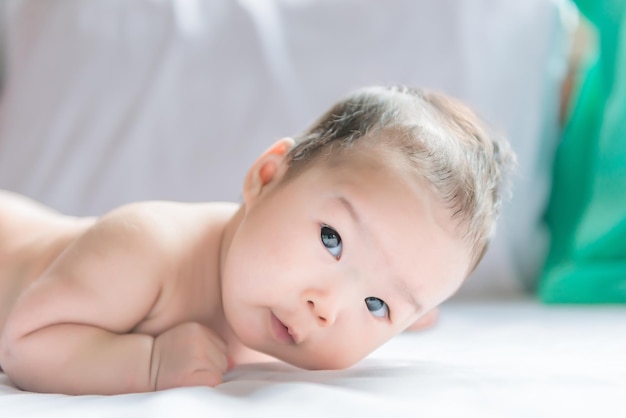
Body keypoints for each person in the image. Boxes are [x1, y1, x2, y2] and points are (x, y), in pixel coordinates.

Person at [0, 85, 513, 395]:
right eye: (332, 240)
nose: (326, 307)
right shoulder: (144, 249)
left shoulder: (291, 312)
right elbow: (25, 342)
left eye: (377, 304)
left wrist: (401, 306)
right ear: (266, 177)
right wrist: (148, 364)